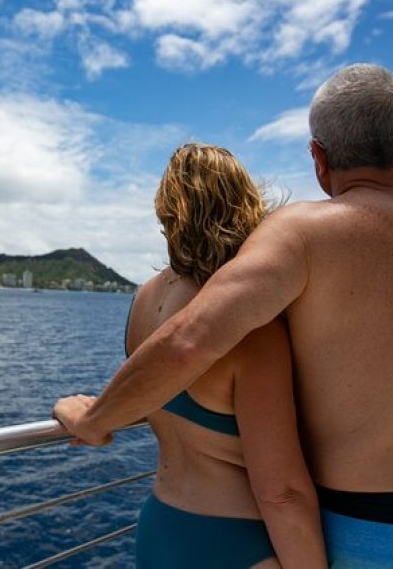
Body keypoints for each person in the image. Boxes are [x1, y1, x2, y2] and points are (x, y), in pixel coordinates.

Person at [55, 64, 393, 567]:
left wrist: (96, 418)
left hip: (365, 531)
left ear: (317, 156)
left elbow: (187, 342)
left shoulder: (300, 235)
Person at [68, 144, 326, 568]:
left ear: (168, 213)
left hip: (161, 525)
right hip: (238, 541)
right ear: (245, 206)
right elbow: (282, 493)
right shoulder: (247, 327)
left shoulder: (143, 301)